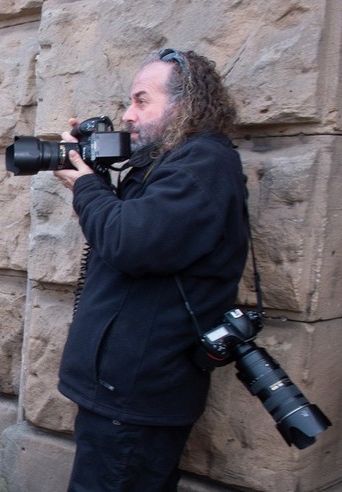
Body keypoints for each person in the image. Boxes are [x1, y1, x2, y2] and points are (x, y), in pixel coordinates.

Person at [52, 48, 248, 491]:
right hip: (123, 392)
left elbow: (129, 243)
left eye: (142, 100)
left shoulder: (204, 165)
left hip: (137, 396)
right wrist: (94, 176)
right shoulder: (169, 163)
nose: (127, 115)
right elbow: (136, 234)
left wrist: (84, 185)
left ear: (185, 103)